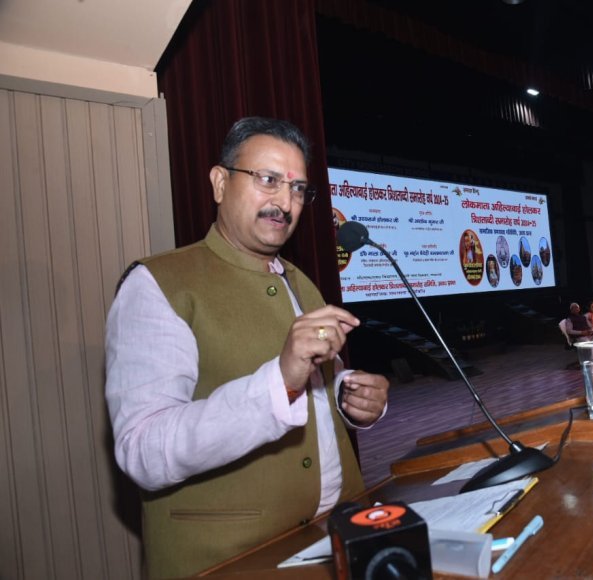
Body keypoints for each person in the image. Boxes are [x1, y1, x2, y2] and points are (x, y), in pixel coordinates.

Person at [105, 117, 390, 579]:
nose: (285, 202)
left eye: (298, 188)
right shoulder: (158, 285)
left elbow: (319, 382)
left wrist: (349, 395)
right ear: (220, 183)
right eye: (268, 180)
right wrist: (280, 380)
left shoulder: (302, 282)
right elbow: (143, 451)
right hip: (235, 560)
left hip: (340, 537)